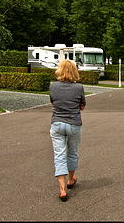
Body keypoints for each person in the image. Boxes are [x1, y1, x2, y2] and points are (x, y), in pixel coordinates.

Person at [49, 59, 86, 202]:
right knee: (72, 152)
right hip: (74, 124)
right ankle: (71, 179)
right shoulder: (79, 88)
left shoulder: (53, 86)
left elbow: (53, 101)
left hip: (57, 123)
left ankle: (62, 189)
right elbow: (82, 105)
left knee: (59, 155)